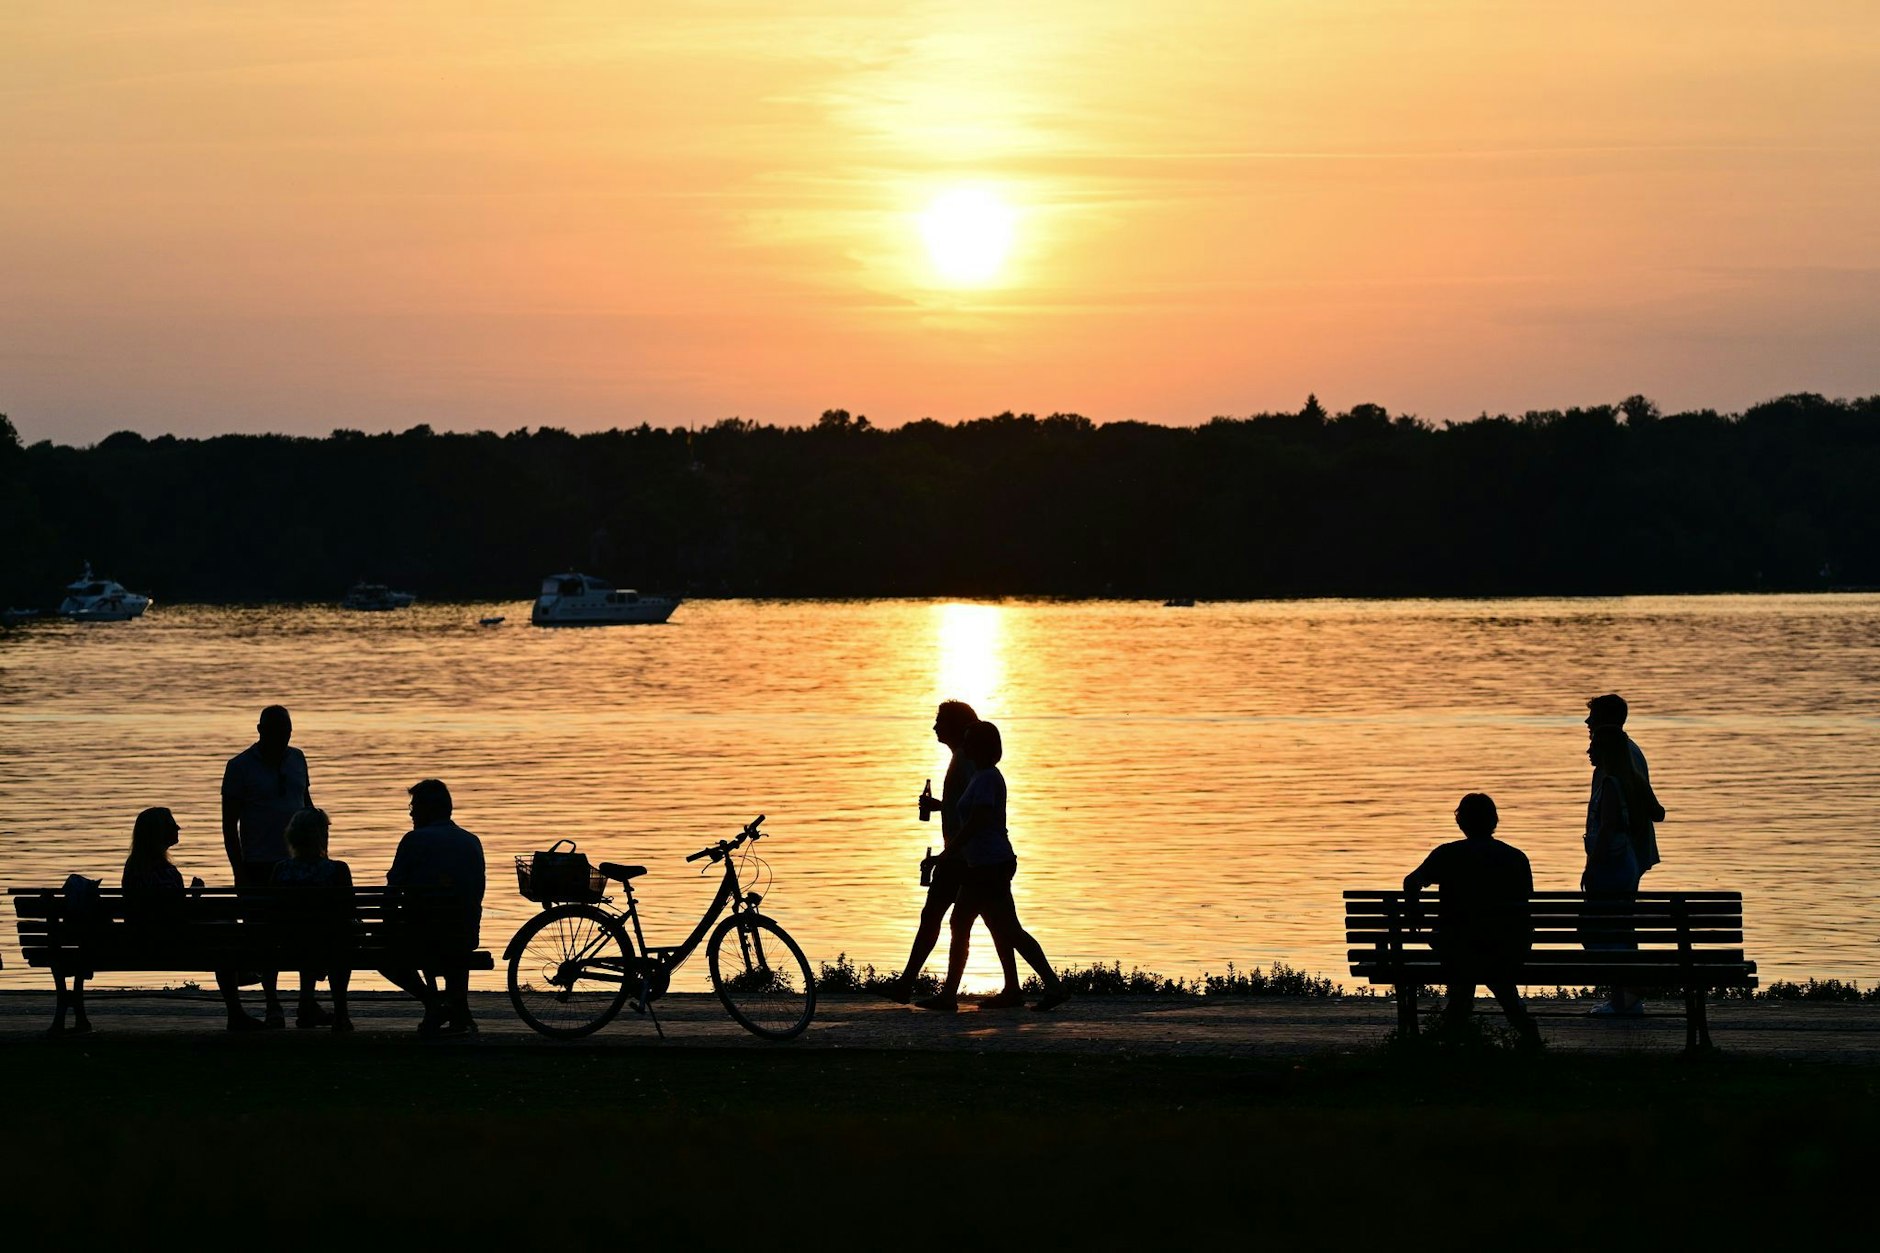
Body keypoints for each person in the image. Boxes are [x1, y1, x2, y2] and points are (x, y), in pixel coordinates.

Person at [917, 721, 1069, 1013]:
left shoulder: (987, 779)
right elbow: (967, 812)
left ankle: (1054, 986)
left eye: (971, 740)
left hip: (990, 866)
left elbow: (978, 820)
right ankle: (954, 995)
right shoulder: (982, 776)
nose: (966, 745)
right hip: (983, 865)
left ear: (984, 747)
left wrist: (948, 853)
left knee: (1007, 929)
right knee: (969, 923)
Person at [882, 701, 1021, 1006]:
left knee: (939, 917)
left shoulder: (966, 762)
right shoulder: (963, 760)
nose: (935, 727)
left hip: (964, 857)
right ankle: (1011, 987)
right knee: (993, 921)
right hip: (967, 854)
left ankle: (916, 987)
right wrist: (939, 807)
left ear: (957, 728)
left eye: (939, 722)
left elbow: (979, 811)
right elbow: (969, 804)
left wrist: (949, 852)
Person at [1403, 794, 1542, 1049]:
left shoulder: (1447, 854)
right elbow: (1525, 904)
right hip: (1508, 948)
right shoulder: (1516, 857)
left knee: (1464, 954)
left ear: (1461, 823)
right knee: (1488, 959)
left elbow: (1411, 882)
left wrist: (1415, 913)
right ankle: (1520, 1024)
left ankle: (1454, 1025)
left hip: (1459, 946)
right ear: (1494, 821)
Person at [122, 806, 266, 1032]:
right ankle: (238, 994)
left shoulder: (134, 866)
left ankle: (240, 979)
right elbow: (176, 915)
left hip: (141, 940)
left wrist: (190, 898)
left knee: (223, 924)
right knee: (224, 937)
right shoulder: (162, 870)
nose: (178, 827)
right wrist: (195, 895)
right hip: (168, 943)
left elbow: (164, 911)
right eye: (171, 824)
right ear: (158, 832)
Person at [221, 704, 312, 1026]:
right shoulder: (240, 767)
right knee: (264, 938)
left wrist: (318, 854)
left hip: (300, 863)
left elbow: (307, 807)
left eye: (286, 733)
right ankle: (273, 1001)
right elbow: (229, 825)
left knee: (306, 933)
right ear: (260, 731)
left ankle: (307, 1002)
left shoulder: (298, 759)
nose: (281, 739)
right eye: (275, 733)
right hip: (259, 863)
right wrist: (239, 869)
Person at [378, 779, 485, 1036]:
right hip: (464, 933)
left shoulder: (414, 840)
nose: (411, 812)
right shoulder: (472, 841)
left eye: (414, 806)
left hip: (424, 934)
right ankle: (458, 1010)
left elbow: (393, 890)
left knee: (384, 949)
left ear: (427, 809)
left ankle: (433, 1002)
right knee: (449, 930)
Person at [271, 807, 355, 1031]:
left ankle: (306, 1006)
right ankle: (341, 1014)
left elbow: (273, 914)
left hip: (287, 946)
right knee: (338, 938)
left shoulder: (281, 870)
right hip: (330, 945)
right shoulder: (337, 870)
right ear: (321, 836)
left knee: (307, 935)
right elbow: (349, 910)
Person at [1583, 725, 1646, 1015]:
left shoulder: (1610, 782)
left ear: (1606, 751)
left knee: (1602, 930)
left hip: (1611, 865)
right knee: (1617, 930)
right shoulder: (1623, 778)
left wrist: (1591, 866)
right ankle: (1626, 999)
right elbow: (1655, 811)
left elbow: (1607, 827)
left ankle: (1625, 1000)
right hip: (1623, 862)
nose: (1588, 751)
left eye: (1593, 746)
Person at [1585, 693, 1665, 877]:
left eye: (1594, 715)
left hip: (1618, 857)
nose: (1587, 721)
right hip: (1615, 855)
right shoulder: (1611, 758)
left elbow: (1613, 821)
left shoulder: (1624, 757)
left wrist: (1595, 864)